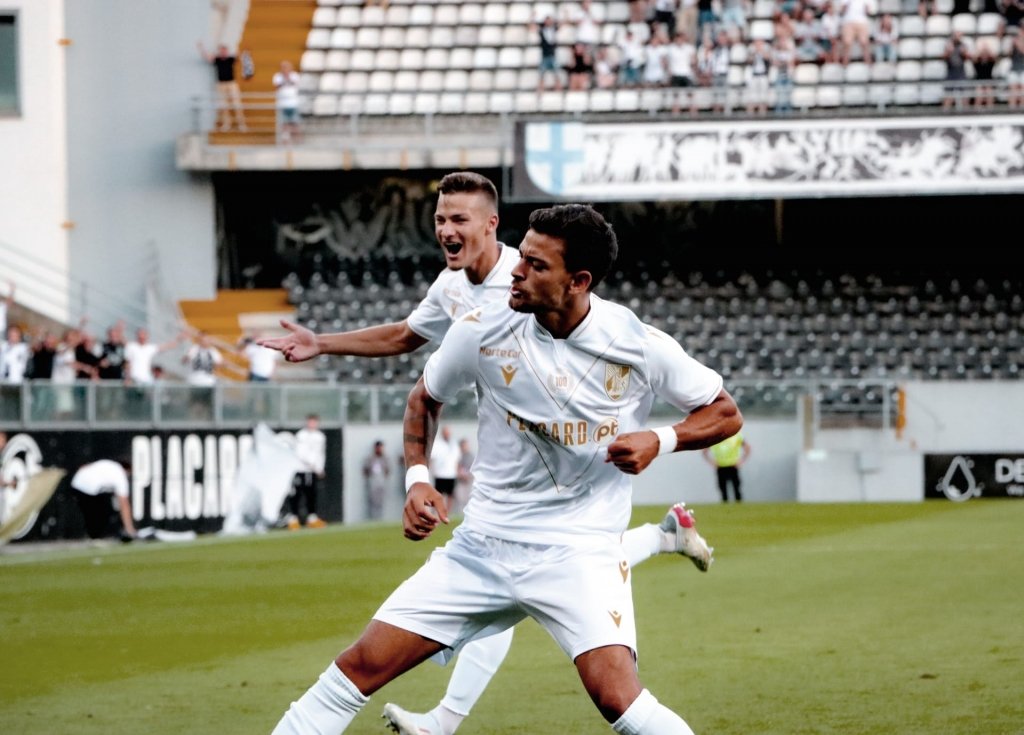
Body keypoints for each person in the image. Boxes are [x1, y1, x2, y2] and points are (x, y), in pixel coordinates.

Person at [260, 173, 711, 735]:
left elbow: (723, 411)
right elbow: (423, 394)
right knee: (359, 667)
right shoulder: (477, 322)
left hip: (577, 550)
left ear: (579, 281)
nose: (517, 272)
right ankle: (443, 720)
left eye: (535, 265)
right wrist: (417, 479)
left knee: (617, 698)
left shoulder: (636, 342)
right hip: (483, 545)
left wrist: (660, 439)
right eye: (521, 258)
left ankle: (445, 719)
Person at [70, 458, 137, 541]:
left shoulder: (108, 464)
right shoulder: (120, 475)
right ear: (127, 470)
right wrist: (130, 529)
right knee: (100, 512)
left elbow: (84, 467)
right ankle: (96, 536)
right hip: (88, 489)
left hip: (75, 483)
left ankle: (93, 535)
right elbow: (124, 504)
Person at [285, 413, 327, 529]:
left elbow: (320, 454)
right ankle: (293, 519)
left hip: (312, 471)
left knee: (311, 494)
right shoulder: (301, 435)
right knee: (296, 494)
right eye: (310, 421)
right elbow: (300, 453)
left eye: (314, 422)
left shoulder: (320, 437)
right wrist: (312, 465)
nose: (312, 424)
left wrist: (320, 468)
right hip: (300, 469)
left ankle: (312, 518)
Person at [197, 41, 247, 131]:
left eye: (225, 51)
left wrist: (239, 48)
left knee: (237, 104)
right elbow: (207, 57)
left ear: (227, 51)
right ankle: (227, 124)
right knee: (224, 105)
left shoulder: (231, 59)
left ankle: (241, 124)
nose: (223, 52)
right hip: (220, 84)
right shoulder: (217, 60)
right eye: (222, 51)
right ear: (220, 52)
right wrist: (201, 48)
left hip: (231, 83)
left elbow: (239, 55)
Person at [702, 432, 751, 502]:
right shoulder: (714, 438)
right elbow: (704, 451)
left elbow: (748, 448)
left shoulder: (736, 436)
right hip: (721, 466)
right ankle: (725, 505)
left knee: (736, 489)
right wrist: (712, 463)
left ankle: (739, 505)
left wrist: (741, 461)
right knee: (723, 490)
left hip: (733, 466)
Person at [428, 425, 459, 513]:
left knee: (450, 495)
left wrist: (456, 471)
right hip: (440, 474)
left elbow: (457, 459)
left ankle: (447, 513)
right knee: (438, 494)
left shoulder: (454, 444)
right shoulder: (437, 444)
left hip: (451, 474)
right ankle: (437, 512)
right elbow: (432, 458)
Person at [273, 60, 301, 144]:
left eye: (286, 67)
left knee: (295, 123)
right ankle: (285, 141)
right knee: (284, 123)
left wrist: (288, 77)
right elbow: (277, 86)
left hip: (294, 103)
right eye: (283, 67)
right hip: (282, 104)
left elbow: (296, 84)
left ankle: (297, 140)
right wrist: (284, 78)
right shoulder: (277, 76)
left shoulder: (295, 75)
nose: (285, 69)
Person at [362, 439, 391, 521]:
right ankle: (373, 518)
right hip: (373, 480)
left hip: (381, 480)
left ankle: (380, 518)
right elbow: (365, 470)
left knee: (381, 500)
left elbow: (388, 470)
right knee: (372, 500)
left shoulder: (385, 458)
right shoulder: (370, 458)